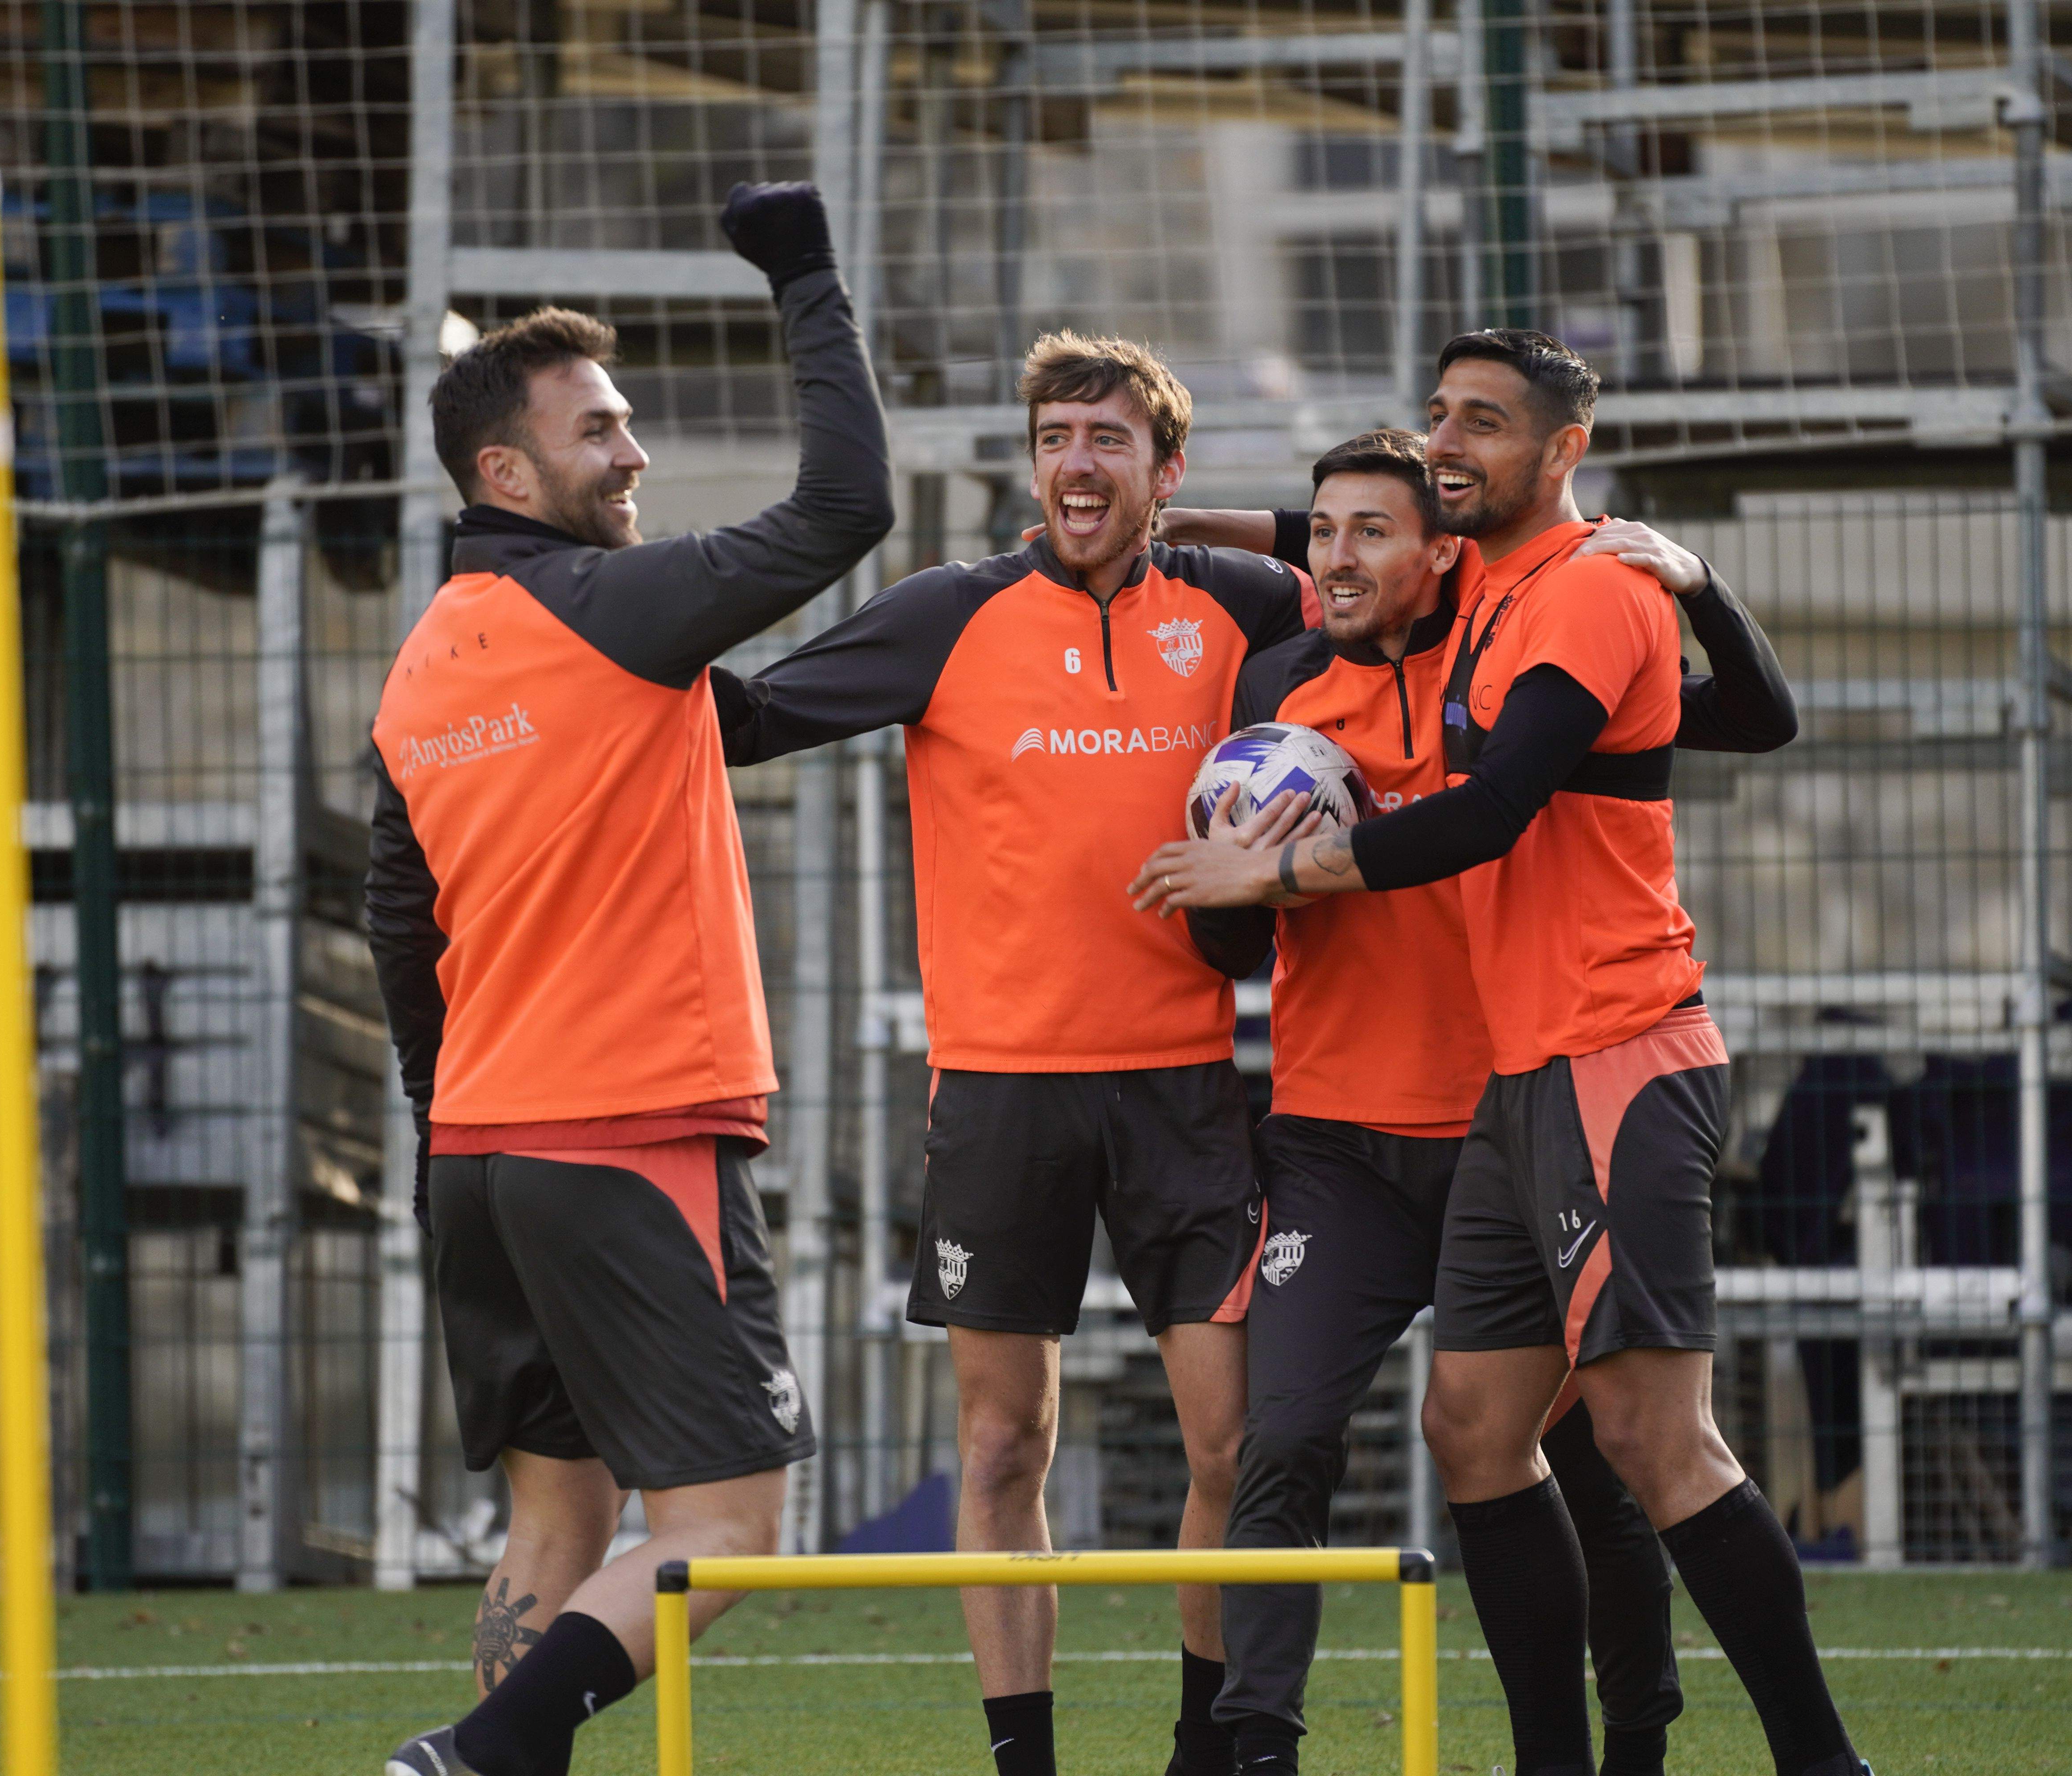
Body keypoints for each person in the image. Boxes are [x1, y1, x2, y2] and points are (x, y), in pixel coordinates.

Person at [1134, 330, 1870, 1776]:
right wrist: (1207, 521)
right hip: (1516, 1082)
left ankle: (1817, 1761)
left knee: (1652, 1445)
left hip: (1617, 1050)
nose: (1455, 441)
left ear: (1566, 449)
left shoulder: (1587, 591)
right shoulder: (1480, 581)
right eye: (1442, 418)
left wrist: (1266, 881)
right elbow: (1368, 533)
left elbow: (1492, 813)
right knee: (1474, 1429)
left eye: (1487, 422)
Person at [708, 333, 1305, 1776]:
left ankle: (1205, 1751)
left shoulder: (1247, 608)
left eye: (1108, 440)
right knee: (999, 1449)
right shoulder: (946, 614)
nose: (1076, 465)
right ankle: (1022, 1759)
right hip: (998, 1090)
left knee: (1236, 1444)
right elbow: (746, 715)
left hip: (1187, 1088)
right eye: (1054, 439)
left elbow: (1390, 562)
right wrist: (606, 652)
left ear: (1167, 469)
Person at [368, 182, 892, 1776]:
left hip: (481, 1151)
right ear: (505, 472)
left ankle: (485, 1764)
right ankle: (483, 1756)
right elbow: (844, 508)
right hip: (630, 1131)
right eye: (601, 429)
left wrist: (437, 1130)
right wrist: (803, 275)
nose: (635, 453)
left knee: (557, 1513)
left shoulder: (421, 669)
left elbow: (406, 935)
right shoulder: (606, 609)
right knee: (727, 1527)